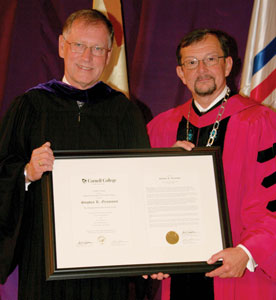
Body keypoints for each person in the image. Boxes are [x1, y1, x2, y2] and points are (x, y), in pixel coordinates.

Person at [0, 9, 150, 300]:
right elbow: (3, 168)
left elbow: (141, 186)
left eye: (97, 49)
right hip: (45, 258)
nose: (87, 57)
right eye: (79, 45)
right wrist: (27, 172)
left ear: (109, 56)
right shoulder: (29, 106)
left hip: (108, 260)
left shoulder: (125, 112)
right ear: (61, 46)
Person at [147, 29, 276, 300]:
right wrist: (150, 252)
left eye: (210, 59)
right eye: (191, 63)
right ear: (181, 73)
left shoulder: (261, 123)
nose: (201, 69)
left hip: (241, 273)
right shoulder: (161, 128)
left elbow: (272, 200)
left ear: (228, 65)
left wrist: (248, 252)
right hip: (179, 276)